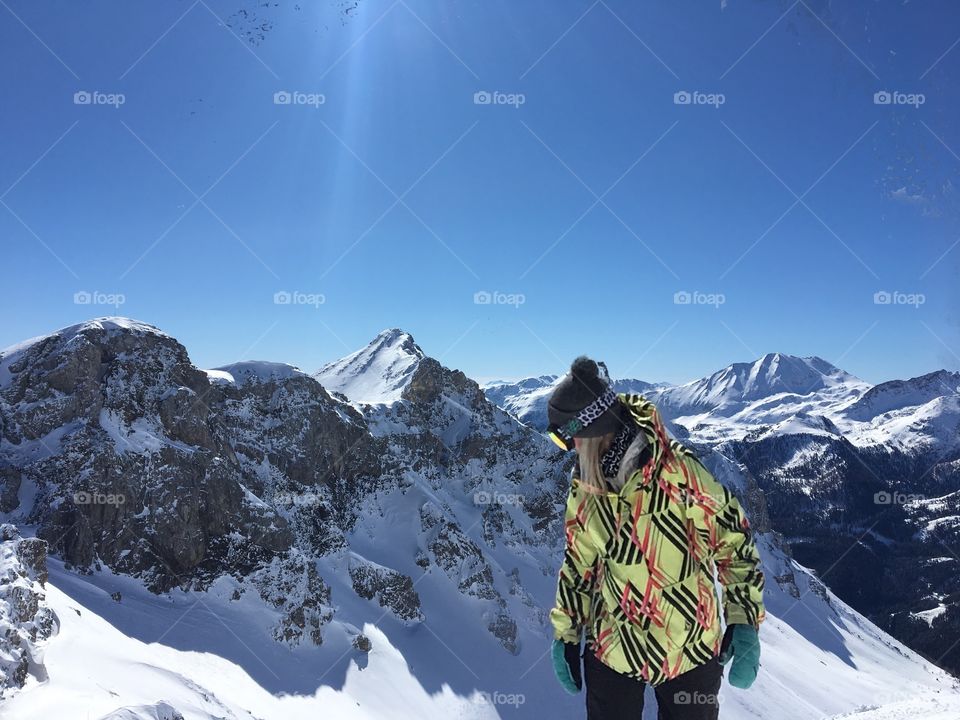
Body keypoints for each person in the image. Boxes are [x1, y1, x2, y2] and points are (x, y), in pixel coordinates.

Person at [546, 357, 765, 720]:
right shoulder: (585, 488)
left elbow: (733, 540)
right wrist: (567, 633)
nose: (567, 451)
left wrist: (742, 618)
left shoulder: (678, 472)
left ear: (592, 430)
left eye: (567, 440)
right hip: (613, 647)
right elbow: (579, 565)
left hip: (689, 647)